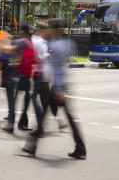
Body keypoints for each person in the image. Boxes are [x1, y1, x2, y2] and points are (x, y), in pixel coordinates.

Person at [22, 19, 86, 159]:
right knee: (57, 116)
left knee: (53, 115)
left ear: (54, 30)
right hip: (62, 84)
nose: (49, 31)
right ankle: (32, 146)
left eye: (51, 29)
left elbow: (57, 69)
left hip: (58, 86)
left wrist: (58, 89)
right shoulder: (67, 43)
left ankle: (32, 146)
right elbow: (66, 63)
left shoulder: (55, 46)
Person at [0, 31, 17, 133]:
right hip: (14, 78)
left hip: (7, 79)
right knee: (12, 100)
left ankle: (10, 123)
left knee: (11, 101)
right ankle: (11, 117)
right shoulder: (14, 52)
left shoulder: (1, 54)